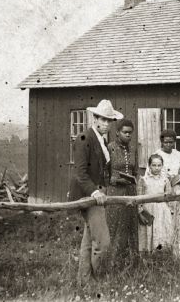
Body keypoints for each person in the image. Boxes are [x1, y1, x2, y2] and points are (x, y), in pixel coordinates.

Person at [68, 99, 123, 284]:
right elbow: (80, 173)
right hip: (89, 195)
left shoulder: (101, 140)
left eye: (109, 121)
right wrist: (94, 192)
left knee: (88, 240)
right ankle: (100, 279)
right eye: (103, 120)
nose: (106, 124)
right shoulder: (84, 138)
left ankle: (84, 281)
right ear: (95, 118)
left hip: (99, 193)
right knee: (102, 242)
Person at [105, 118, 139, 261]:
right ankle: (112, 261)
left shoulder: (133, 149)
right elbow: (103, 175)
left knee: (130, 225)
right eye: (125, 132)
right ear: (117, 132)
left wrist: (133, 179)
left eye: (130, 133)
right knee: (115, 226)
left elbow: (135, 171)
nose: (128, 135)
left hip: (131, 192)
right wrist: (117, 180)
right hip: (115, 192)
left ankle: (129, 262)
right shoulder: (110, 148)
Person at [155, 129, 180, 259]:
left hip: (177, 189)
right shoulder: (156, 155)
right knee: (164, 221)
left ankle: (178, 253)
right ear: (162, 142)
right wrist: (166, 181)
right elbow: (154, 172)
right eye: (166, 142)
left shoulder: (179, 155)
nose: (169, 145)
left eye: (171, 142)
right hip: (162, 190)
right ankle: (163, 252)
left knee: (178, 221)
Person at [137, 154, 174, 253]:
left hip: (162, 211)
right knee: (148, 234)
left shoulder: (165, 180)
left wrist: (170, 211)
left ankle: (161, 256)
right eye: (154, 165)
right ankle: (147, 257)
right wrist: (140, 212)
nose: (157, 168)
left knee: (161, 234)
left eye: (159, 165)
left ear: (162, 166)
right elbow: (139, 199)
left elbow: (168, 198)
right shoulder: (143, 180)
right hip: (148, 210)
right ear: (149, 166)